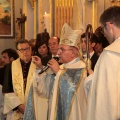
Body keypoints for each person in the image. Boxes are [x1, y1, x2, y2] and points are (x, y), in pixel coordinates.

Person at [24, 23, 87, 120]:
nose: (58, 53)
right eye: (58, 49)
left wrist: (58, 72)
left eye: (62, 49)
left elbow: (72, 93)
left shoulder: (82, 69)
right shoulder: (61, 68)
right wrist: (40, 68)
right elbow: (44, 91)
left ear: (73, 52)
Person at [86, 6, 120, 120]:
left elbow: (105, 100)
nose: (104, 34)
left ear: (109, 26)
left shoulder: (109, 54)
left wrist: (91, 79)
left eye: (103, 29)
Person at [2, 39, 36, 120]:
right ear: (17, 52)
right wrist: (19, 106)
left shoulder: (38, 64)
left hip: (35, 108)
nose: (25, 52)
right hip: (16, 109)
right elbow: (7, 90)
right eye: (21, 50)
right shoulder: (11, 66)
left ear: (30, 49)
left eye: (27, 49)